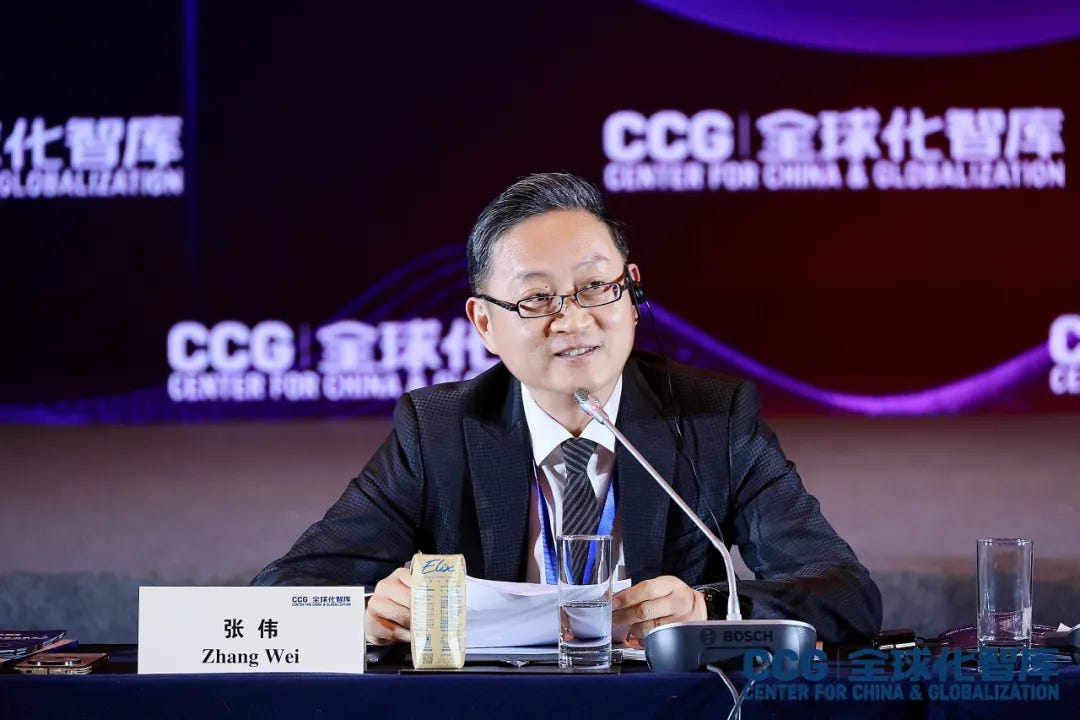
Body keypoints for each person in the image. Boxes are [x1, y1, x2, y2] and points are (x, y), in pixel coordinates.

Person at [253, 172, 882, 647]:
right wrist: (365, 614)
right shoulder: (438, 430)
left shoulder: (714, 418)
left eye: (595, 287)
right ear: (484, 323)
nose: (574, 320)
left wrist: (708, 610)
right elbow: (280, 593)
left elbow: (846, 596)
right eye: (537, 300)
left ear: (631, 293)